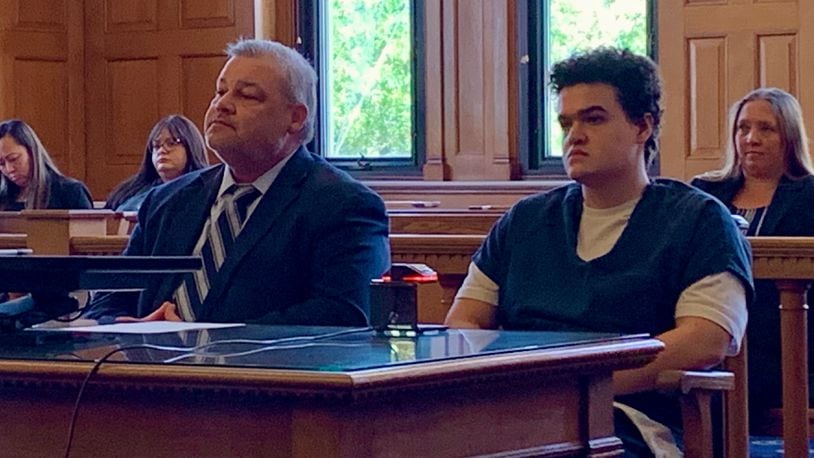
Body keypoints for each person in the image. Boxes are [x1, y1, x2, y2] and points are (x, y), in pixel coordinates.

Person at [444, 47, 753, 456]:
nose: (575, 135)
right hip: (514, 416)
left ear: (643, 126)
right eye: (566, 122)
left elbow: (704, 340)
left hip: (630, 421)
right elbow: (464, 321)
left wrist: (580, 388)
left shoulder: (699, 221)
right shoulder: (526, 222)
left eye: (594, 119)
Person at [83, 38, 390, 326]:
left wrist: (204, 339)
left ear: (295, 118)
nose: (222, 105)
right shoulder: (167, 201)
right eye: (220, 91)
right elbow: (108, 300)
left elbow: (345, 314)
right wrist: (129, 329)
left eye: (247, 95)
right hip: (149, 374)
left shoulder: (343, 205)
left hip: (264, 379)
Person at [691, 87, 814, 429]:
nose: (751, 138)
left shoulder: (809, 196)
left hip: (785, 339)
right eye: (743, 128)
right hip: (712, 328)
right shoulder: (704, 193)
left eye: (766, 129)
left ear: (788, 136)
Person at [105, 114, 209, 211]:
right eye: (156, 146)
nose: (162, 150)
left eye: (171, 143)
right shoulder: (131, 190)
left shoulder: (205, 192)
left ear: (191, 147)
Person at [0, 119, 93, 210]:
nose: (9, 169)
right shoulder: (3, 197)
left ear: (32, 152)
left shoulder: (71, 192)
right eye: (1, 163)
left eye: (14, 159)